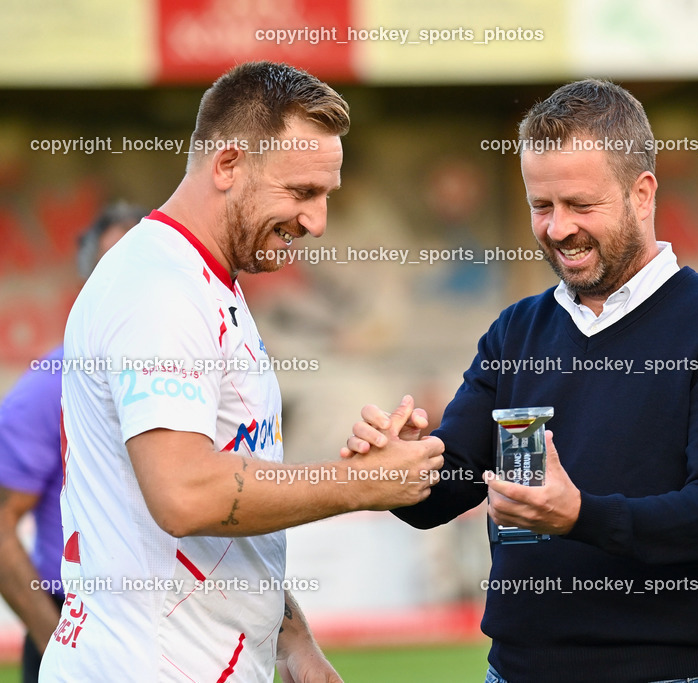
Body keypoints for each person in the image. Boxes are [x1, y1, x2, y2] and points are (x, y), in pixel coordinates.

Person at [345, 79, 698, 683]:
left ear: (642, 193)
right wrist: (397, 468)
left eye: (580, 205)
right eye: (541, 206)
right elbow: (446, 493)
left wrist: (580, 516)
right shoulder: (515, 331)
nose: (556, 228)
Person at [39, 61, 444, 682]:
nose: (316, 221)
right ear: (227, 165)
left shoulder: (207, 283)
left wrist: (292, 639)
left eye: (325, 195)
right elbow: (184, 492)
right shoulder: (158, 289)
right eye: (302, 192)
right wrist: (357, 484)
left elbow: (229, 486)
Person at [0, 202, 145, 683]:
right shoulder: (50, 384)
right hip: (77, 620)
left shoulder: (199, 373)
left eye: (141, 265)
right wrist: (55, 639)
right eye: (112, 266)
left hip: (174, 625)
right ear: (89, 281)